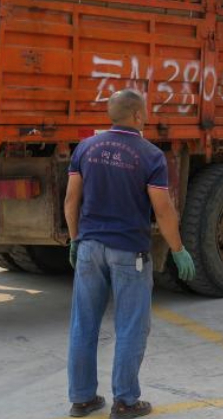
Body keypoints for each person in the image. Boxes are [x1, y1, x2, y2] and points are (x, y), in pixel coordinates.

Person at [64, 89, 196, 419]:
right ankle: (125, 401)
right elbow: (163, 210)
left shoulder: (86, 147)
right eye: (145, 113)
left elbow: (71, 201)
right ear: (137, 116)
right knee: (131, 327)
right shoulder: (150, 155)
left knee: (84, 325)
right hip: (129, 252)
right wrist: (178, 250)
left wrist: (75, 240)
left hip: (90, 249)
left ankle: (82, 399)